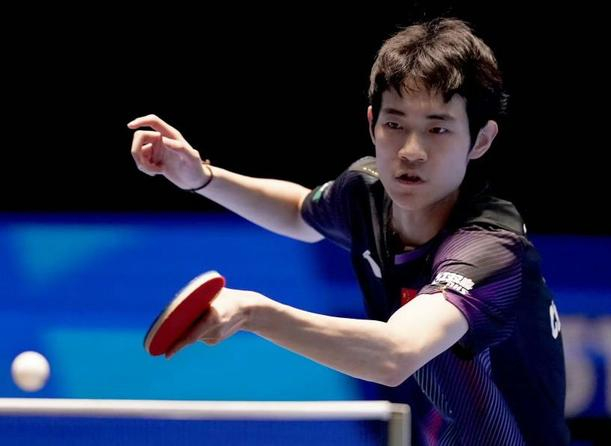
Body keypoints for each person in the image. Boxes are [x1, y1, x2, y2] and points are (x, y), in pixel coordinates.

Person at [128, 18, 569, 445]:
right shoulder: (365, 193)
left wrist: (252, 313)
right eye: (395, 124)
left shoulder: (490, 249)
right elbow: (299, 212)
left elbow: (396, 353)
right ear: (372, 122)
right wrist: (201, 177)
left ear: (481, 140)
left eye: (437, 129)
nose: (411, 151)